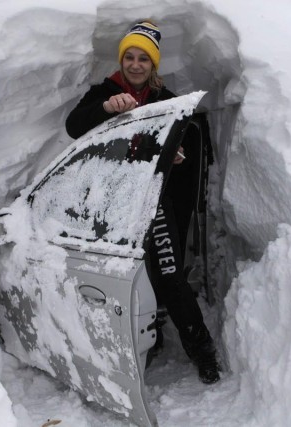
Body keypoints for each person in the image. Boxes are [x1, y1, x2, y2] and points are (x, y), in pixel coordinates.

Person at [65, 21, 220, 384]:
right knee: (120, 278)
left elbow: (173, 146)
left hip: (152, 201)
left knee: (169, 274)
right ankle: (126, 350)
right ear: (122, 61)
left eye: (144, 60)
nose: (136, 65)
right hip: (110, 205)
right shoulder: (103, 92)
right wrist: (105, 107)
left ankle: (203, 350)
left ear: (153, 66)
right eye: (130, 58)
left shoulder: (165, 100)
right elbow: (74, 126)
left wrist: (175, 155)